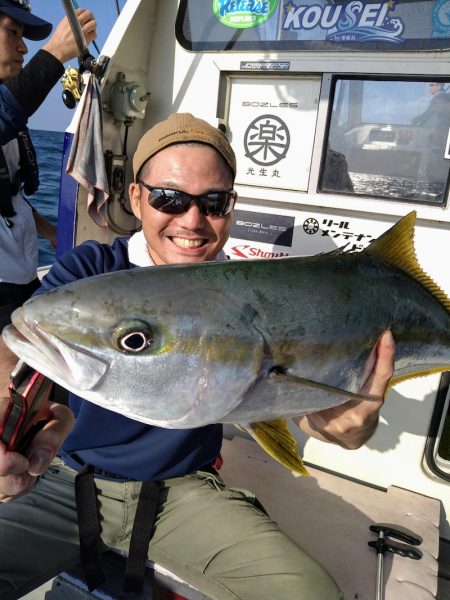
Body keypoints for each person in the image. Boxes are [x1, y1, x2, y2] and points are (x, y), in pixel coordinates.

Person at [0, 113, 395, 600]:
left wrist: (344, 428)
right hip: (65, 480)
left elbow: (293, 400)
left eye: (213, 202)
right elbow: (18, 343)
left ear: (231, 206)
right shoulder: (92, 272)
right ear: (136, 197)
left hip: (183, 493)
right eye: (169, 198)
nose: (191, 220)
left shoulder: (254, 299)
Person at [0, 1, 97, 328]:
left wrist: (50, 232)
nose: (23, 47)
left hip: (20, 272)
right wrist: (55, 53)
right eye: (12, 32)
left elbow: (8, 194)